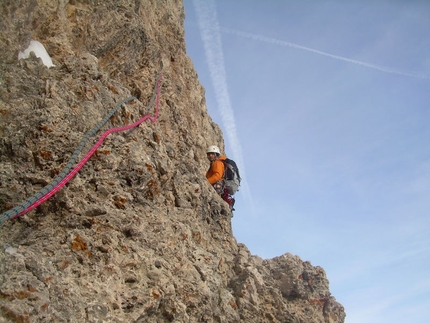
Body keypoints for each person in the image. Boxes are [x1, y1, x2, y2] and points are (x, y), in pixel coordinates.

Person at [206, 145, 235, 210]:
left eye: (212, 154)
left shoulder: (217, 163)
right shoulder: (215, 163)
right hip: (219, 186)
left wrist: (206, 182)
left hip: (217, 186)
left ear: (216, 154)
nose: (210, 155)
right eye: (209, 154)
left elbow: (217, 176)